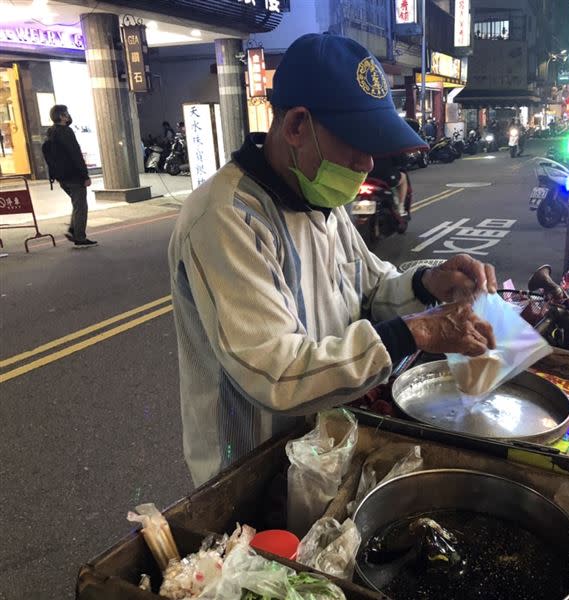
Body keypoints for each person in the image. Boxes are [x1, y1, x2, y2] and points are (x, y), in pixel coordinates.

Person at [168, 33, 498, 486]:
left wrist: (429, 284)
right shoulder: (225, 218)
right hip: (253, 472)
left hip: (325, 445)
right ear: (297, 126)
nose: (366, 164)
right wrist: (419, 330)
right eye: (355, 143)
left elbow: (372, 287)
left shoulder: (319, 197)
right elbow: (278, 374)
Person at [45, 105, 97, 247]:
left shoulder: (51, 132)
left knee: (76, 204)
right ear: (61, 116)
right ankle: (79, 237)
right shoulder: (66, 131)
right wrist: (85, 175)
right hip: (74, 175)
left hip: (62, 177)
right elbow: (75, 154)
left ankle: (74, 231)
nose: (68, 115)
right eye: (66, 113)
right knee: (81, 206)